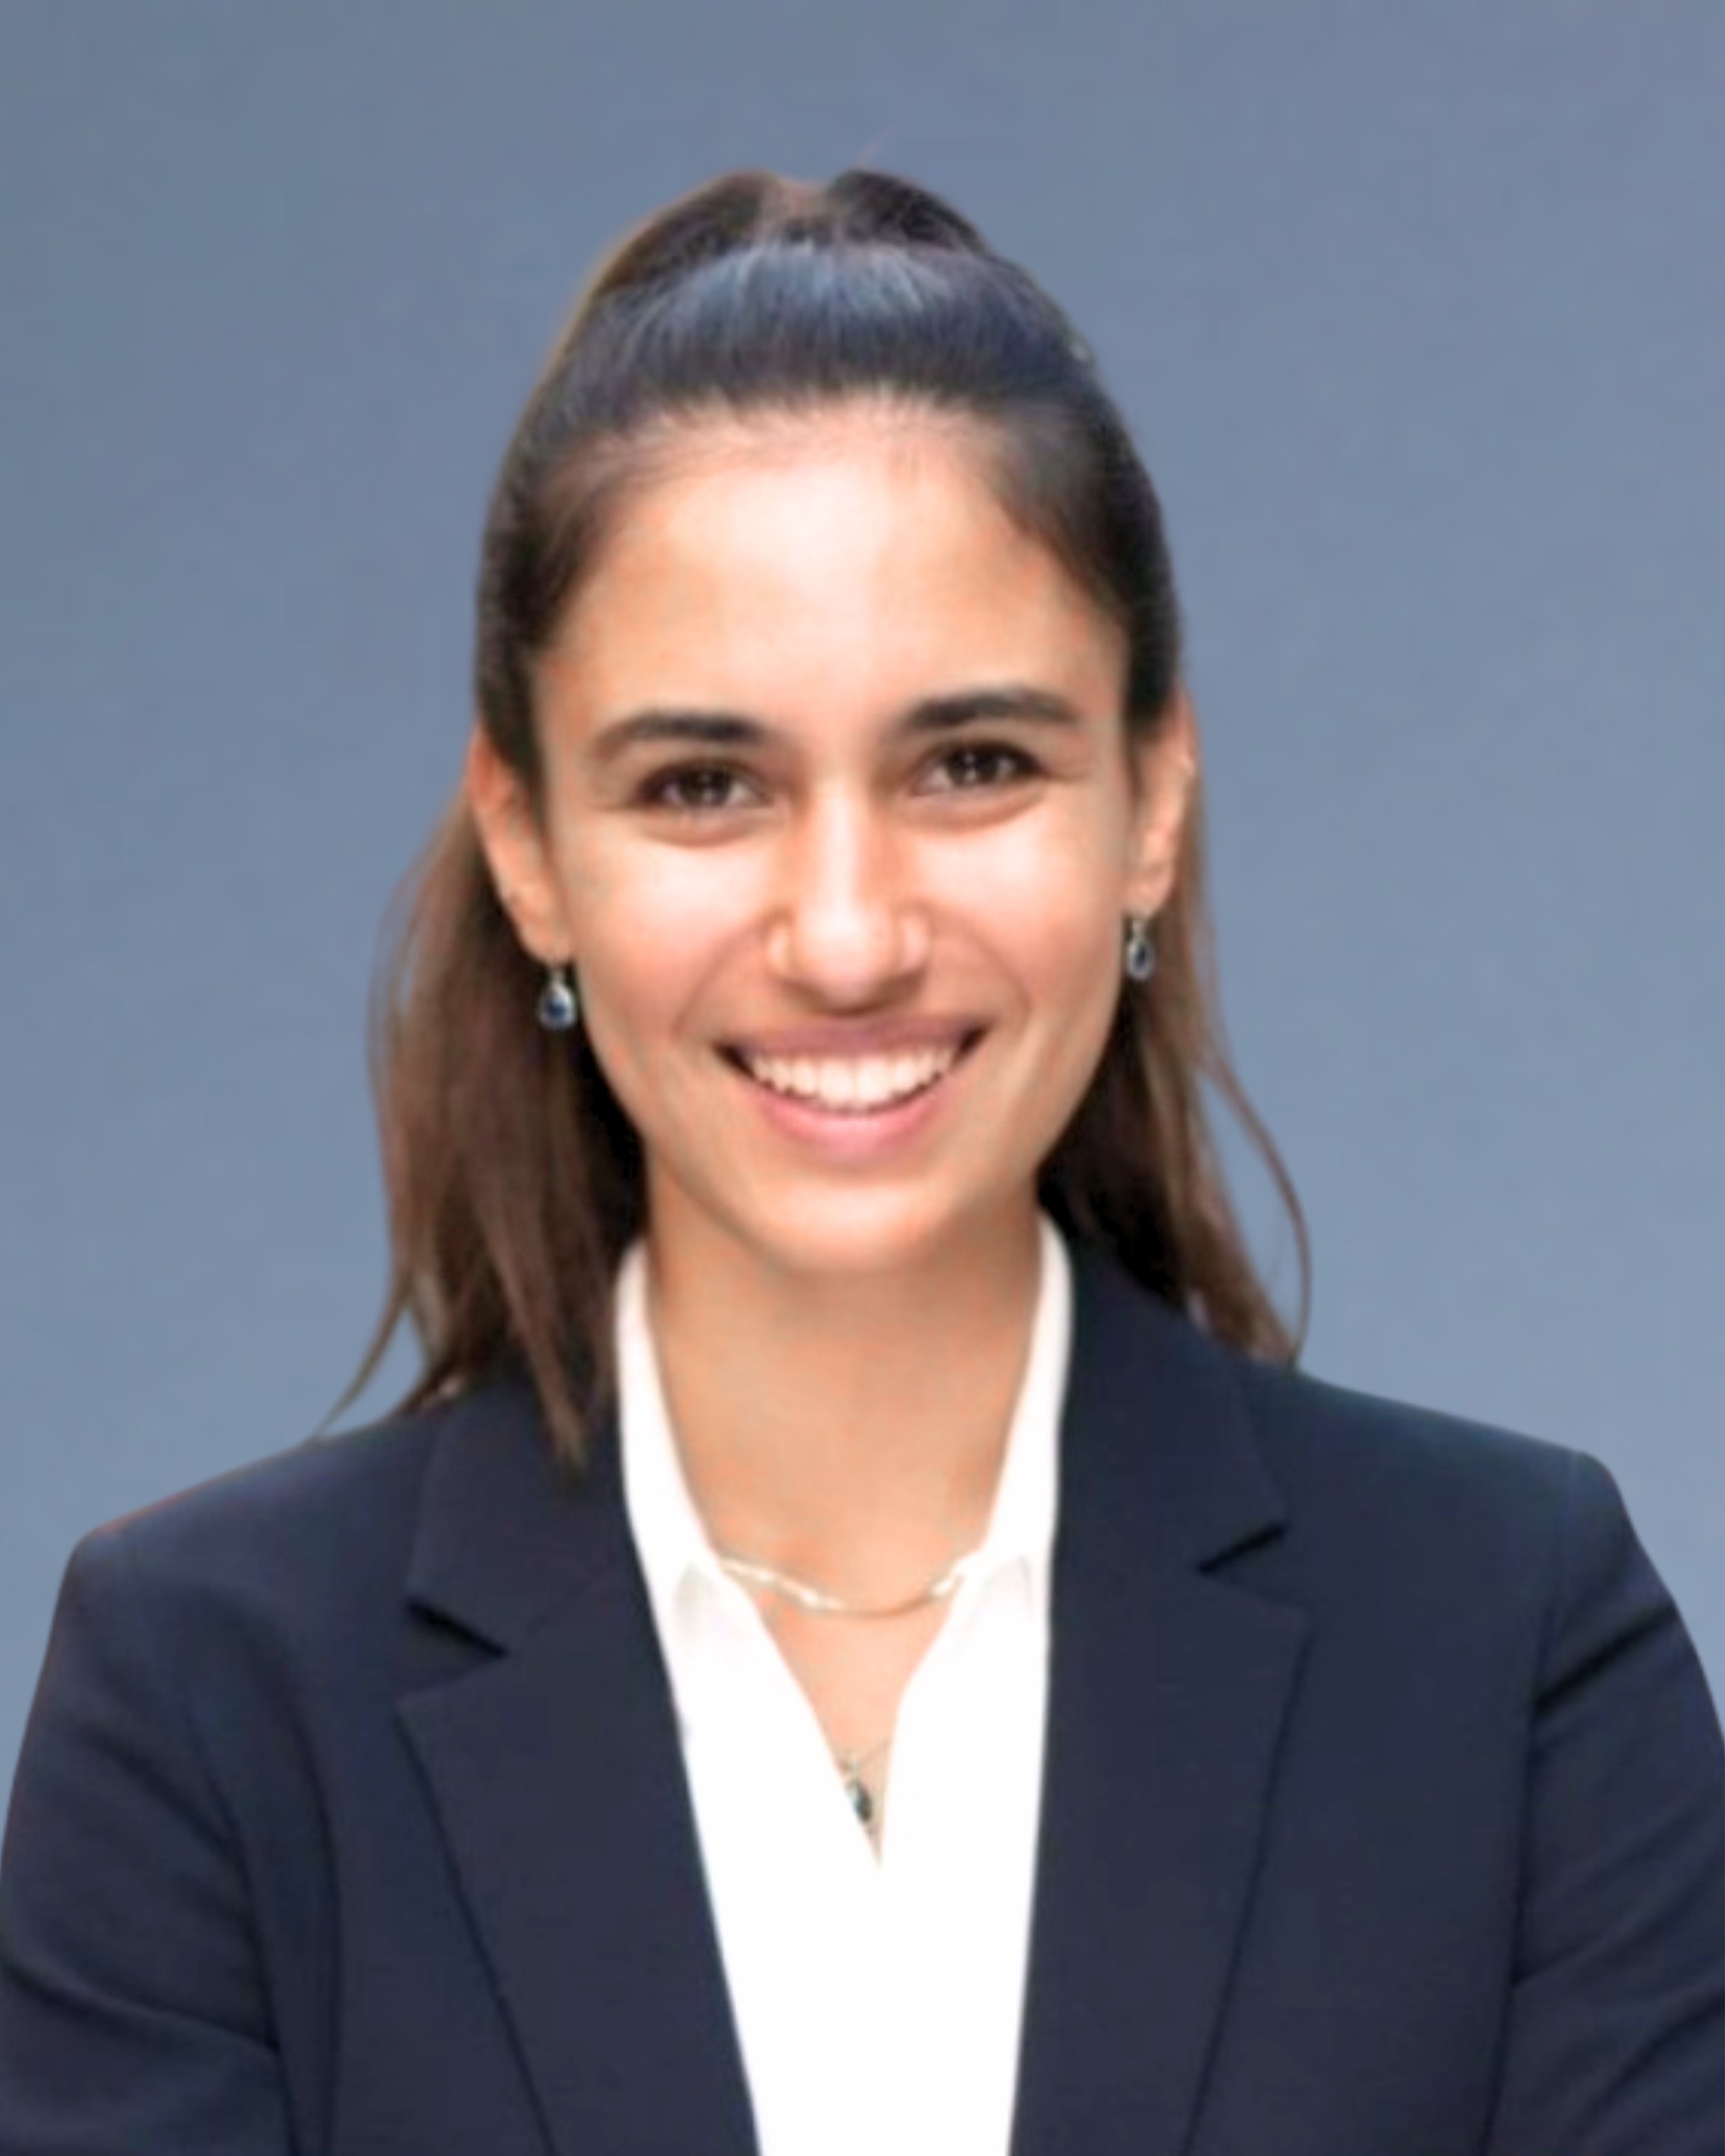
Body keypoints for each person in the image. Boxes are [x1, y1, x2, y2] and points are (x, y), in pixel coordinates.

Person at [1, 167, 1719, 2156]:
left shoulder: (1506, 1645)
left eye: (970, 764)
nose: (843, 932)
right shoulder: (211, 1707)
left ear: (1149, 802)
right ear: (530, 845)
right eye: (703, 785)